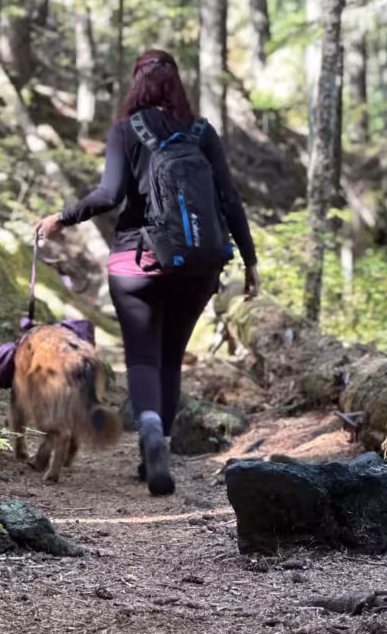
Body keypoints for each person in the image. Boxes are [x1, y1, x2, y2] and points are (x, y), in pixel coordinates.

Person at [35, 49, 259, 497]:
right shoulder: (201, 133)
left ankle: (150, 429)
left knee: (142, 357)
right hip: (198, 265)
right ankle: (162, 448)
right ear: (179, 87)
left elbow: (109, 194)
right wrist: (250, 261)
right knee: (172, 357)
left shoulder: (126, 131)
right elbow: (230, 200)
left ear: (136, 85)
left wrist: (61, 217)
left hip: (137, 262)